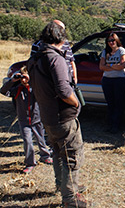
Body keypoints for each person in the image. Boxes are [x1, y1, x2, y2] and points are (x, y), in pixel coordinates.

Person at [27, 21, 89, 207]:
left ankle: (62, 186)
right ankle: (70, 198)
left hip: (47, 116)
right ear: (60, 37)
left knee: (58, 153)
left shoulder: (35, 58)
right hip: (63, 117)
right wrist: (76, 102)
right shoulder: (55, 58)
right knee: (72, 156)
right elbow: (63, 90)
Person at [1, 66, 53, 174]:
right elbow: (3, 91)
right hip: (23, 120)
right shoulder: (18, 89)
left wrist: (34, 81)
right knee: (28, 141)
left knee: (41, 138)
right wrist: (13, 80)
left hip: (37, 119)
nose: (24, 80)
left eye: (26, 78)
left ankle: (45, 155)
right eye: (21, 78)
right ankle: (30, 163)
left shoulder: (36, 89)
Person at [31, 20, 78, 84]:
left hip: (68, 80)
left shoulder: (66, 43)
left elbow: (71, 61)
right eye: (61, 29)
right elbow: (33, 64)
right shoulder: (38, 44)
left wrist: (74, 77)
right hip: (50, 82)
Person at [99, 33, 125, 133]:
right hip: (107, 80)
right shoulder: (105, 52)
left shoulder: (121, 50)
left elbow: (123, 65)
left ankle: (116, 125)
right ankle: (110, 124)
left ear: (117, 40)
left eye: (113, 40)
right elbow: (101, 66)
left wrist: (109, 65)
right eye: (109, 41)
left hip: (119, 80)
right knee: (110, 103)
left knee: (118, 103)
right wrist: (114, 65)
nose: (111, 42)